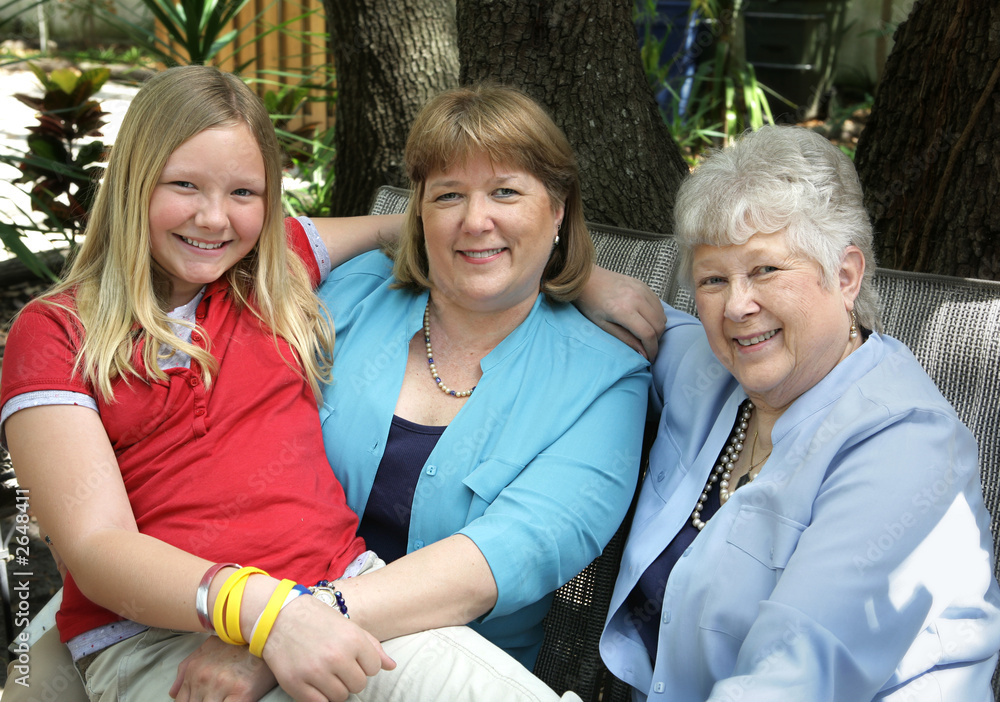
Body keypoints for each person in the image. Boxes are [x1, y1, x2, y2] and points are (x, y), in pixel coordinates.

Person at [1, 70, 652, 701]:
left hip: (359, 602)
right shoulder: (303, 287)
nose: (213, 217)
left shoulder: (261, 284)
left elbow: (505, 554)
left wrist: (576, 271)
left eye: (507, 194)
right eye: (447, 195)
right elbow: (97, 543)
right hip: (180, 627)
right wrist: (264, 615)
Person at [600, 125, 1000, 701]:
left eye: (766, 270)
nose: (737, 305)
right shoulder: (714, 373)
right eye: (714, 279)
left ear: (845, 276)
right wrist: (585, 280)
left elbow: (793, 678)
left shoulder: (907, 449)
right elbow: (634, 317)